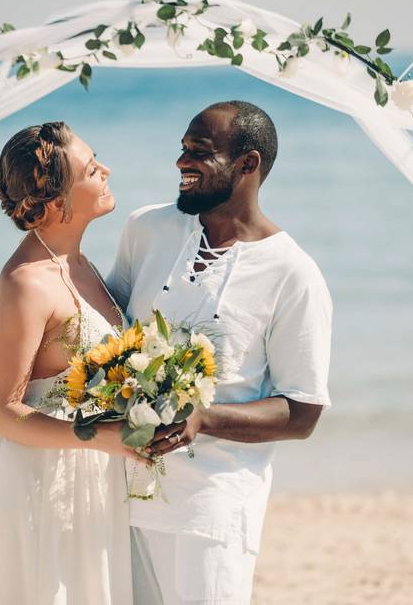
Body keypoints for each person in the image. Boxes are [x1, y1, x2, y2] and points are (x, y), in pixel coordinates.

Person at [106, 101, 334, 604]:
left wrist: (204, 420)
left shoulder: (293, 273)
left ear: (248, 164)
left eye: (200, 152)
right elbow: (103, 335)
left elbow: (301, 412)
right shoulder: (145, 229)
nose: (181, 163)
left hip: (211, 509)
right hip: (119, 494)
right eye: (183, 148)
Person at [0, 121, 144, 604]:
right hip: (47, 484)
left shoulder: (80, 264)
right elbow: (2, 411)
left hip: (96, 475)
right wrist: (98, 438)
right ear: (55, 203)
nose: (106, 171)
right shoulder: (26, 282)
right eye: (92, 169)